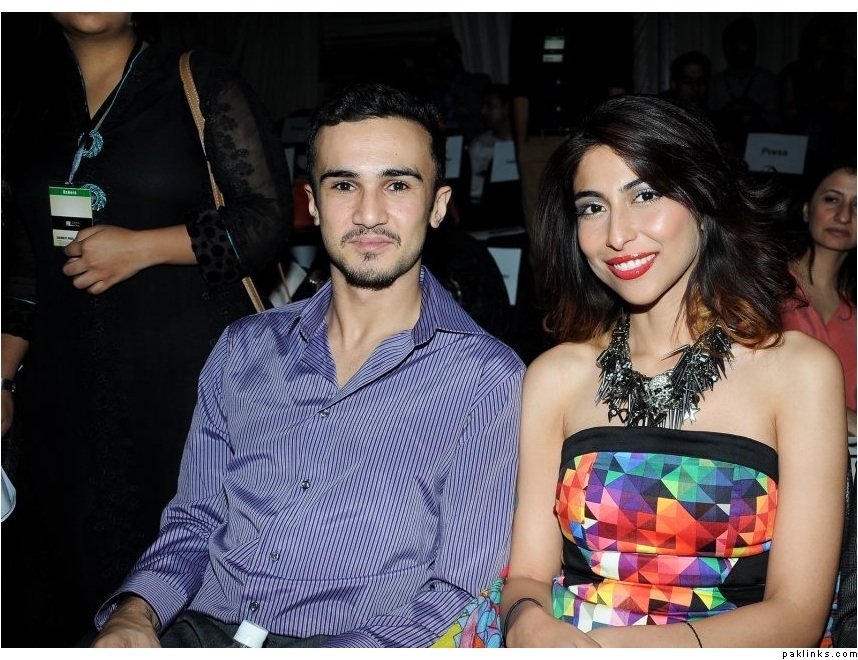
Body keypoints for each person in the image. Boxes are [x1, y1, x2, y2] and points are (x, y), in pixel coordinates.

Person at [90, 82, 524, 648]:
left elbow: (459, 590)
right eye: (344, 185)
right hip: (198, 628)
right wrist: (136, 613)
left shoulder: (487, 379)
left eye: (397, 184)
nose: (369, 213)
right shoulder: (244, 348)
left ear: (438, 205)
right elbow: (195, 519)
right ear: (313, 203)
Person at [501, 95, 847, 647]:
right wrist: (525, 620)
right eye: (592, 207)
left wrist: (610, 649)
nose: (617, 234)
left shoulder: (799, 372)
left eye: (645, 195)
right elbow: (526, 576)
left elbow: (798, 617)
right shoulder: (556, 376)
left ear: (703, 201)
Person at [0, 12, 292, 647]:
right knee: (64, 586)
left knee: (190, 583)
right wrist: (3, 376)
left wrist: (143, 247)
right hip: (64, 400)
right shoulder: (24, 104)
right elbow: (23, 263)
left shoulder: (194, 78)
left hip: (186, 391)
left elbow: (267, 222)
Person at [781, 157, 856, 436]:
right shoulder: (763, 286)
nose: (844, 216)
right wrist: (841, 415)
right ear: (806, 210)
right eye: (832, 200)